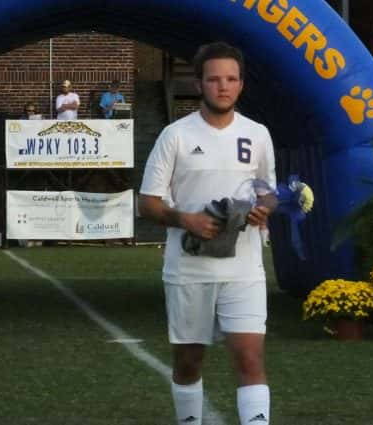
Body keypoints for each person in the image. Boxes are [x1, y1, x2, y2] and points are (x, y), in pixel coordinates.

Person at [138, 41, 277, 425]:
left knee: (249, 358)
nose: (223, 86)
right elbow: (146, 203)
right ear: (199, 84)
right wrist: (187, 220)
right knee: (188, 362)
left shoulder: (258, 134)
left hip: (244, 268)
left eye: (231, 79)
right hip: (189, 269)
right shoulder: (175, 136)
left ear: (241, 85)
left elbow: (268, 191)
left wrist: (263, 209)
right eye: (214, 79)